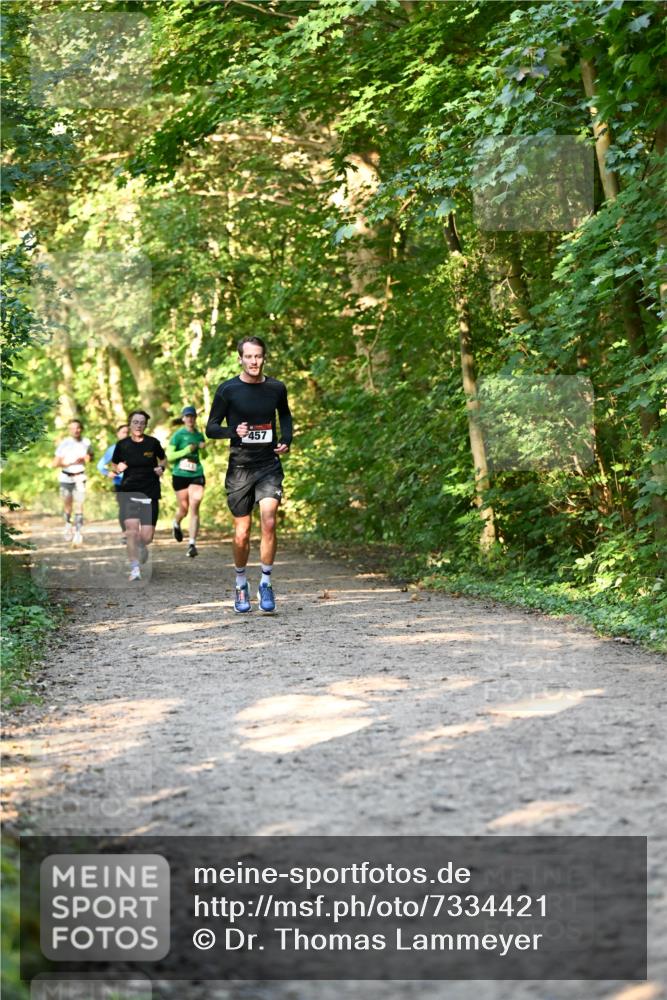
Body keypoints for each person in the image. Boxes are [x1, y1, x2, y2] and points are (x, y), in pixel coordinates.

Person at [206, 336, 292, 614]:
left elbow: (285, 416)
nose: (254, 361)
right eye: (249, 357)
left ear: (264, 357)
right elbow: (211, 427)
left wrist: (286, 439)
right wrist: (233, 432)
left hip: (268, 465)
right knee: (242, 533)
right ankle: (241, 583)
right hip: (240, 468)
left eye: (258, 356)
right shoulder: (228, 389)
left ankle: (265, 583)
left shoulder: (276, 387)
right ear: (240, 359)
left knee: (269, 522)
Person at [112, 410, 166, 582]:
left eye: (142, 422)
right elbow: (114, 463)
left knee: (146, 537)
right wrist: (118, 468)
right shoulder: (122, 445)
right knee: (131, 533)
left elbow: (163, 459)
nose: (138, 425)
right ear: (130, 424)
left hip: (150, 492)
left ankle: (142, 546)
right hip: (130, 492)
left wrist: (161, 468)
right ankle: (135, 568)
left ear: (146, 425)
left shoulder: (153, 443)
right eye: (135, 422)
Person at [167, 406, 207, 558]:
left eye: (192, 416)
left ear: (195, 418)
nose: (190, 419)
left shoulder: (199, 435)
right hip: (180, 474)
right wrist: (186, 451)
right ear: (183, 418)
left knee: (195, 506)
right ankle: (176, 523)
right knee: (183, 509)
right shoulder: (178, 435)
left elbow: (205, 456)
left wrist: (203, 449)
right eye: (187, 416)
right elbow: (169, 456)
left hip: (196, 473)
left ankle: (192, 544)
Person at [53, 419, 93, 545]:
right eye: (72, 428)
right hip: (66, 477)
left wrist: (87, 458)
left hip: (80, 477)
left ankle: (78, 532)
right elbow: (55, 463)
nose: (75, 430)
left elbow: (91, 456)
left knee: (80, 505)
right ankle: (68, 525)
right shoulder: (64, 443)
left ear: (81, 429)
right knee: (68, 505)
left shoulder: (86, 442)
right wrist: (69, 462)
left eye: (78, 428)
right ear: (69, 430)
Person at [97, 423, 129, 541]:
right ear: (118, 434)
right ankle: (125, 533)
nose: (126, 435)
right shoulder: (113, 449)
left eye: (127, 432)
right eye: (123, 432)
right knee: (124, 508)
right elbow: (100, 466)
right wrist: (107, 473)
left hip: (136, 481)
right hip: (120, 482)